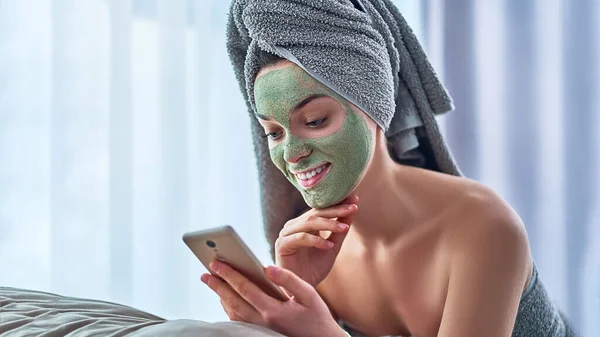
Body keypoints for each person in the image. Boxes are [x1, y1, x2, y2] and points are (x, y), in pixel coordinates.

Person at [200, 0, 578, 336]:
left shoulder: (482, 227)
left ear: (375, 104)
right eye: (274, 132)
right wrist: (290, 300)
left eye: (314, 120)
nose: (293, 153)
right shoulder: (311, 255)